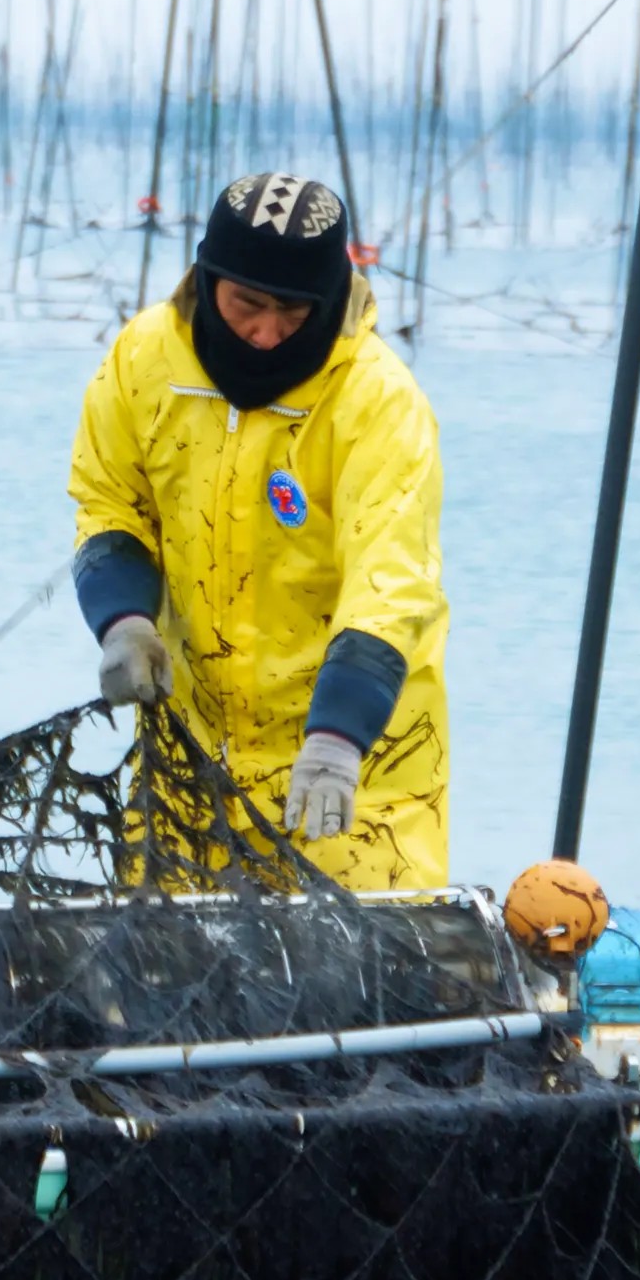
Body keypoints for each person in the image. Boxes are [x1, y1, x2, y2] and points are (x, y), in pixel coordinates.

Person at [68, 171, 449, 890]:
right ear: (209, 277)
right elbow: (108, 502)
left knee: (352, 991)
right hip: (186, 763)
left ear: (330, 298)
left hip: (357, 775)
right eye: (247, 304)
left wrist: (338, 736)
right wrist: (123, 623)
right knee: (158, 986)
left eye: (294, 311)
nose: (268, 334)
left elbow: (390, 586)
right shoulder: (143, 361)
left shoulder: (378, 402)